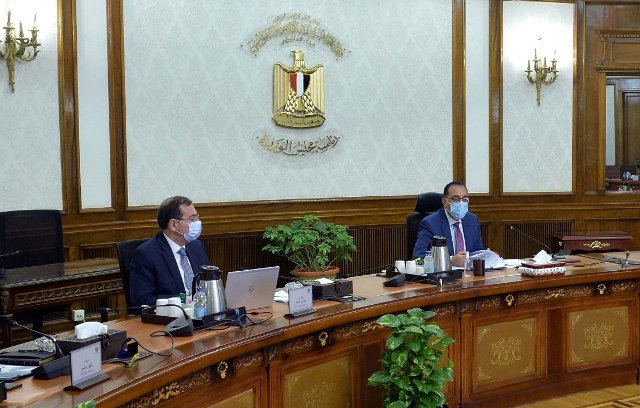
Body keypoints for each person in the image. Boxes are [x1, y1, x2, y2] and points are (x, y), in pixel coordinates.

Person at [129, 196, 211, 308]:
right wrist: (184, 302)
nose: (197, 223)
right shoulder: (146, 255)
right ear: (173, 224)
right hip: (171, 316)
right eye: (192, 219)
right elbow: (143, 301)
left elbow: (209, 283)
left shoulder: (196, 246)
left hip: (203, 313)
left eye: (197, 217)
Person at [412, 181, 484, 267]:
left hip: (470, 272)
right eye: (456, 199)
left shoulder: (472, 220)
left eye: (464, 199)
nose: (461, 203)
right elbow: (418, 258)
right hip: (444, 273)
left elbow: (479, 252)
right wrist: (450, 261)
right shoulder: (430, 224)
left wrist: (488, 255)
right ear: (444, 201)